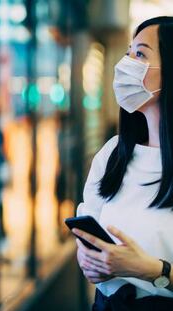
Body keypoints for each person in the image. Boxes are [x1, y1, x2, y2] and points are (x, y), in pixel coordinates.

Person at [74, 16, 173, 311]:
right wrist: (89, 260)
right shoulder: (113, 153)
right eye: (128, 52)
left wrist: (153, 270)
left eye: (140, 54)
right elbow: (88, 228)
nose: (125, 63)